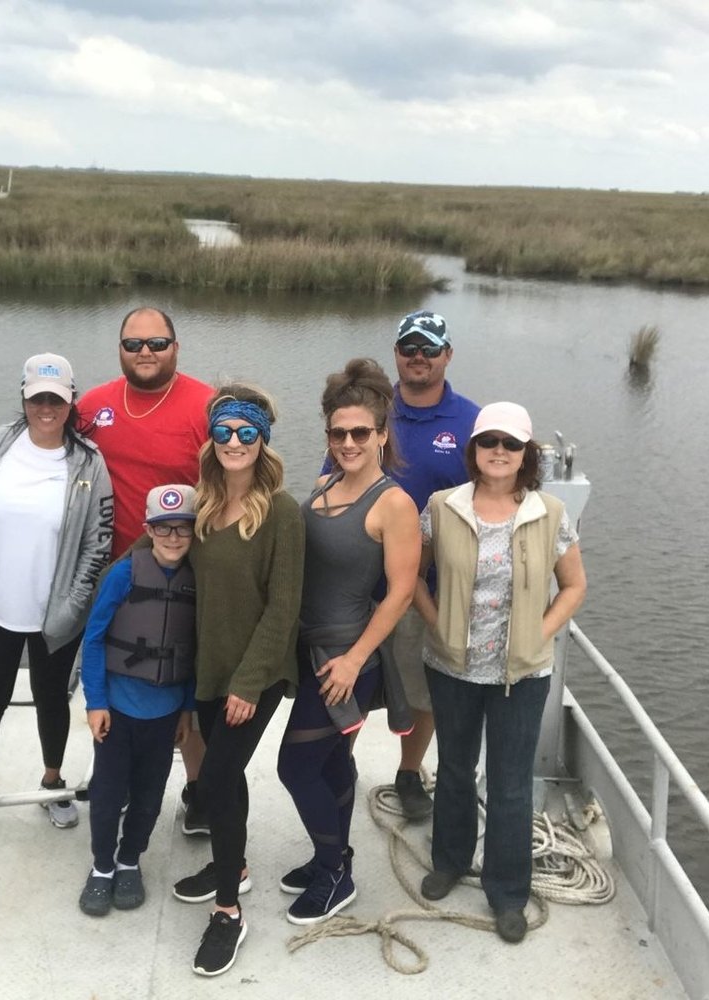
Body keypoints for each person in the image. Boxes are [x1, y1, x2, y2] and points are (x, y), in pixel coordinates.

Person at [414, 401, 587, 944]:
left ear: (526, 454)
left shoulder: (549, 512)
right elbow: (411, 574)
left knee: (511, 785)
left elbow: (575, 585)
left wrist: (541, 631)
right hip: (452, 665)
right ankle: (449, 861)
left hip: (522, 674)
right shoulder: (442, 507)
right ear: (474, 450)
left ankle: (508, 892)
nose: (499, 452)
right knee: (456, 768)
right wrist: (436, 619)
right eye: (489, 442)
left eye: (511, 445)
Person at [0, 353, 114, 858]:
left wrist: (73, 603)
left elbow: (99, 540)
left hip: (55, 615)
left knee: (50, 700)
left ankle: (52, 781)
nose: (47, 407)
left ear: (70, 403)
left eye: (57, 400)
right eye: (38, 398)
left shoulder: (89, 461)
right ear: (23, 397)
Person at [277, 359, 420, 925]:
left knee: (295, 765)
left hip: (347, 659)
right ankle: (329, 856)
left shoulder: (394, 504)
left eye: (361, 432)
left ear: (382, 434)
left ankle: (334, 871)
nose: (349, 442)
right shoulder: (322, 489)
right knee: (332, 761)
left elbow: (400, 594)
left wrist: (355, 659)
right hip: (307, 650)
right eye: (338, 433)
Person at [171, 384, 304, 978]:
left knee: (219, 775)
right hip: (207, 669)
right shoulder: (201, 506)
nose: (233, 442)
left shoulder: (280, 511)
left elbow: (284, 608)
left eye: (246, 432)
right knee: (223, 779)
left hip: (256, 673)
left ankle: (229, 911)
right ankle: (238, 865)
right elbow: (162, 559)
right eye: (223, 431)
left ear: (262, 441)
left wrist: (249, 684)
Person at [77, 306, 215, 836]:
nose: (145, 353)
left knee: (183, 680)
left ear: (176, 347)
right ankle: (113, 773)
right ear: (119, 349)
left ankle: (198, 790)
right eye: (134, 344)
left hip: (185, 568)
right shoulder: (93, 405)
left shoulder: (204, 405)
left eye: (157, 343)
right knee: (113, 675)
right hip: (115, 570)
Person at [76, 484, 198, 917]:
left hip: (164, 716)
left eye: (183, 528)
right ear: (148, 529)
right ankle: (103, 866)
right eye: (163, 529)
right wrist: (96, 702)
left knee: (150, 794)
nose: (173, 538)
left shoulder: (197, 581)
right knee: (108, 794)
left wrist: (187, 708)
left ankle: (131, 860)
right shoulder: (123, 574)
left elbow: (195, 652)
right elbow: (93, 639)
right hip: (118, 712)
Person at [385, 310, 479, 821]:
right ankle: (338, 767)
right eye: (409, 347)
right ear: (396, 353)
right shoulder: (372, 411)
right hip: (365, 582)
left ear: (447, 354)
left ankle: (408, 771)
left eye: (429, 348)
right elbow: (330, 481)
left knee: (423, 690)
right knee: (349, 684)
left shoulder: (471, 421)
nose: (418, 357)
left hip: (432, 587)